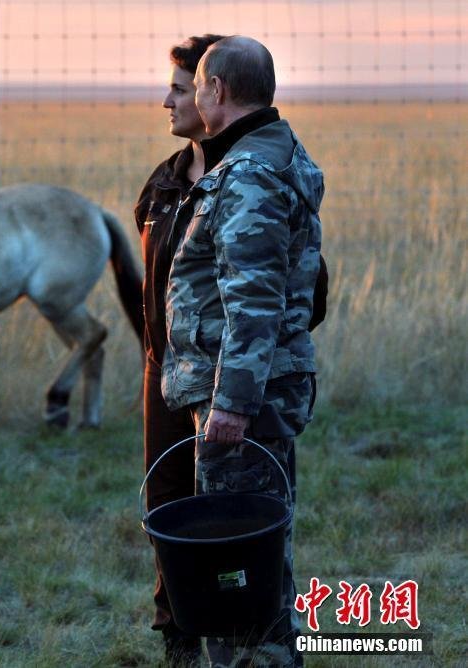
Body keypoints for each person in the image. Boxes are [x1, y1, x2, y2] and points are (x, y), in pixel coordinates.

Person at [161, 35, 325, 666]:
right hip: (255, 389)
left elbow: (252, 302)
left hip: (242, 402)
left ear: (218, 93)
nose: (190, 95)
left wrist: (230, 404)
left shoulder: (249, 175)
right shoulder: (270, 155)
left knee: (237, 564)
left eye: (195, 86)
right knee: (257, 553)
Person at [135, 33, 224, 665]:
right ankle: (179, 637)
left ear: (211, 92)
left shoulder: (249, 182)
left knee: (227, 513)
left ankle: (238, 631)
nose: (166, 100)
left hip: (226, 382)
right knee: (166, 505)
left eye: (177, 88)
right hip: (161, 374)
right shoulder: (163, 183)